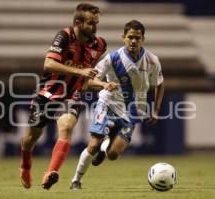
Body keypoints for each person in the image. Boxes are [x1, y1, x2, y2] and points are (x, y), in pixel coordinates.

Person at [19, 3, 113, 190]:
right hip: (48, 93)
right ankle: (25, 166)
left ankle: (51, 172)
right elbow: (49, 64)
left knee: (67, 126)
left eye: (96, 23)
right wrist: (81, 73)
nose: (95, 28)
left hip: (72, 95)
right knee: (31, 137)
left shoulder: (100, 45)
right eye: (91, 23)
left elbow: (87, 76)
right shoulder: (64, 36)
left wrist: (101, 84)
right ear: (78, 23)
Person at [70, 19, 165, 190]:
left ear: (143, 38)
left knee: (113, 154)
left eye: (137, 37)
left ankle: (105, 145)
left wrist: (156, 110)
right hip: (108, 103)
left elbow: (160, 83)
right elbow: (88, 81)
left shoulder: (152, 61)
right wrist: (104, 85)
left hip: (132, 111)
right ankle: (76, 180)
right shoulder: (112, 58)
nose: (133, 41)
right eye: (130, 37)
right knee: (93, 143)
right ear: (123, 37)